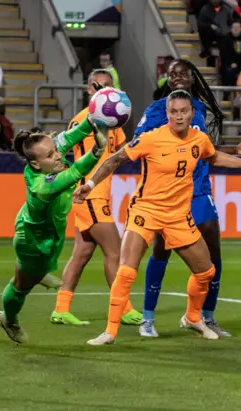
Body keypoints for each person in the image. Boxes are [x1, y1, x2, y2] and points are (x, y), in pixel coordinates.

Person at [74, 90, 241, 345]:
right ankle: (110, 332)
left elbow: (213, 156)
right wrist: (90, 184)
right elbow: (114, 160)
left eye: (183, 111)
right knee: (126, 271)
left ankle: (193, 318)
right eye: (173, 112)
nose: (178, 117)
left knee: (205, 272)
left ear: (191, 113)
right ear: (166, 113)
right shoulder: (150, 139)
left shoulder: (198, 138)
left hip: (178, 216)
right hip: (145, 211)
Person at [134, 59, 241, 338]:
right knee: (161, 250)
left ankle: (207, 316)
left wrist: (234, 150)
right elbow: (140, 144)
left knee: (214, 251)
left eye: (183, 73)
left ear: (192, 78)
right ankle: (148, 318)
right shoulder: (156, 111)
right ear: (167, 80)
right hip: (168, 192)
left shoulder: (198, 110)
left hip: (199, 188)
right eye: (172, 74)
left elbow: (205, 148)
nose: (177, 77)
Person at [0, 117, 109, 344]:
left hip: (38, 229)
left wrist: (92, 119)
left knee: (34, 272)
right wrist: (97, 150)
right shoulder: (42, 187)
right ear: (36, 164)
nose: (58, 156)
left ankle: (38, 274)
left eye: (56, 150)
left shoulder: (45, 154)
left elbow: (71, 137)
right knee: (20, 286)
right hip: (33, 242)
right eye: (50, 155)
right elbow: (74, 172)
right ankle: (9, 319)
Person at [51, 69, 142, 326]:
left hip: (99, 196)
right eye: (99, 87)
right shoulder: (83, 121)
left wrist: (143, 144)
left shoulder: (114, 122)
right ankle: (123, 308)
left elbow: (119, 153)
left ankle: (61, 308)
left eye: (108, 88)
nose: (105, 93)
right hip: (89, 196)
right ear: (89, 90)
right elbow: (59, 150)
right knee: (115, 252)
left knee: (82, 252)